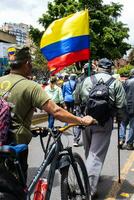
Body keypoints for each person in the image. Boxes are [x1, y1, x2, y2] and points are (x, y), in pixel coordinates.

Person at [0, 47, 96, 183]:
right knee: (16, 188)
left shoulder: (1, 79)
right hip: (15, 144)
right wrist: (81, 120)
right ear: (27, 64)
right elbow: (56, 111)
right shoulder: (30, 86)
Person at [79, 58, 126, 198]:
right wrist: (120, 119)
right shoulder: (115, 83)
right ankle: (89, 191)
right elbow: (121, 105)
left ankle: (92, 177)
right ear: (110, 68)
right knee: (96, 156)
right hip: (104, 122)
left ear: (98, 67)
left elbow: (80, 98)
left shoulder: (88, 80)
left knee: (89, 151)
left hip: (86, 120)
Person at [73, 63, 90, 146]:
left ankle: (78, 139)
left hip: (83, 104)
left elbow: (76, 93)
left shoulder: (80, 78)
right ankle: (78, 139)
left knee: (79, 121)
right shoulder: (93, 78)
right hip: (87, 104)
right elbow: (76, 92)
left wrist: (76, 103)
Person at [119, 68, 134, 150]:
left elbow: (121, 94)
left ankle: (121, 139)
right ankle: (129, 143)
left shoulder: (126, 82)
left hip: (125, 106)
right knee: (132, 126)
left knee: (123, 123)